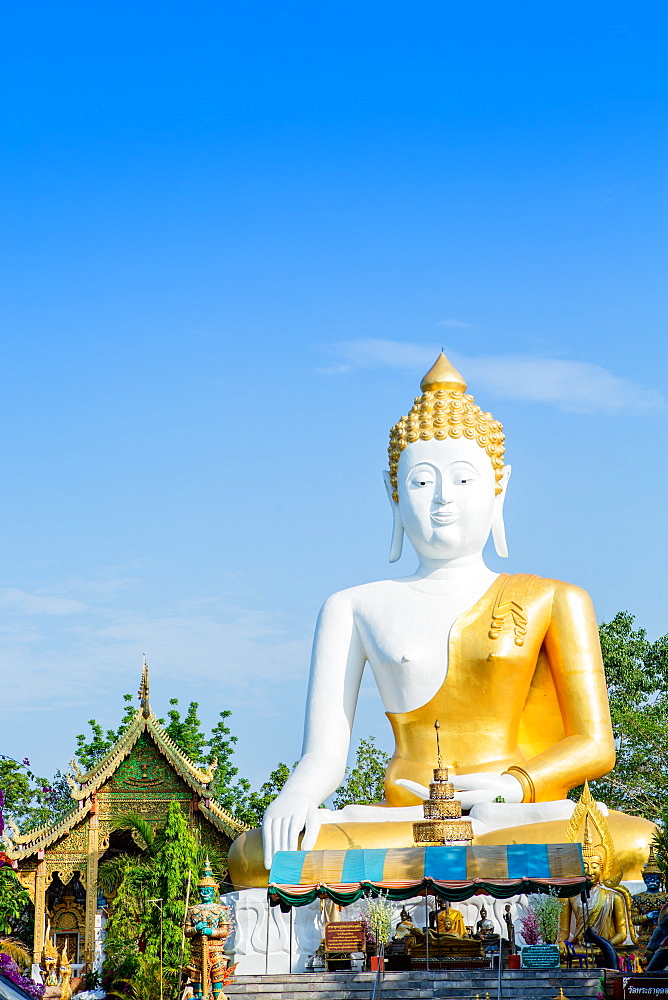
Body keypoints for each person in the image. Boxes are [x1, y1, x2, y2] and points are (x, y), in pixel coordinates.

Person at [228, 353, 654, 889]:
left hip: (511, 812)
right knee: (256, 855)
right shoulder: (353, 605)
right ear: (393, 493)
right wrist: (297, 795)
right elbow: (323, 754)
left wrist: (514, 786)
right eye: (422, 482)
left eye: (464, 480)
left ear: (501, 487)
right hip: (405, 819)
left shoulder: (552, 597)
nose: (443, 500)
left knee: (631, 841)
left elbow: (595, 745)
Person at [184, 860, 232, 1000]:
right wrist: (195, 929)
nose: (205, 893)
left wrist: (211, 932)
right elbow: (186, 932)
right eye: (203, 890)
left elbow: (225, 931)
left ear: (214, 891)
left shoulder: (219, 910)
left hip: (215, 951)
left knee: (217, 987)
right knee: (197, 989)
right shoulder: (193, 910)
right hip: (197, 952)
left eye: (208, 890)